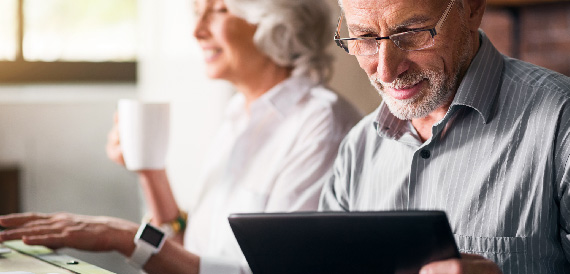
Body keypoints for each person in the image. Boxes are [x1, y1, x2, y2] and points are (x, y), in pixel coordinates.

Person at [0, 0, 361, 273]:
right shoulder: (239, 115)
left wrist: (124, 236)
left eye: (218, 10)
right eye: (196, 11)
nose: (197, 31)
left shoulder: (320, 125)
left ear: (278, 23)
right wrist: (149, 171)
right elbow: (190, 252)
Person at [319, 0, 570, 273]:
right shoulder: (357, 148)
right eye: (365, 38)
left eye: (411, 33)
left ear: (472, 9)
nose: (386, 71)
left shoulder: (561, 122)